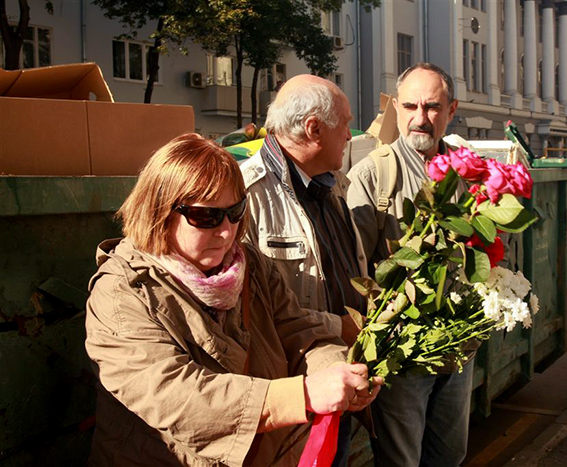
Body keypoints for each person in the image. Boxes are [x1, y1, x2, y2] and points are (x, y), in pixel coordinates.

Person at [84, 133, 382, 466]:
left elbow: (299, 332)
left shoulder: (250, 264)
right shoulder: (122, 292)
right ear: (160, 212)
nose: (226, 231)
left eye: (235, 211)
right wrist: (304, 394)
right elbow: (174, 396)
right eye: (206, 217)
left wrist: (339, 371)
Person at [347, 62, 477, 466]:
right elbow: (353, 271)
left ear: (451, 109)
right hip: (402, 357)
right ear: (396, 110)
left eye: (433, 107)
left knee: (450, 456)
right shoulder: (372, 175)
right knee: (402, 461)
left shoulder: (470, 173)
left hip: (458, 349)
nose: (421, 118)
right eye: (411, 106)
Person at [241, 74, 367, 467]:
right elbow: (249, 312)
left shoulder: (333, 186)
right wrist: (339, 326)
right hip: (289, 398)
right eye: (344, 123)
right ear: (314, 128)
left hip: (337, 381)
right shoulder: (247, 194)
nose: (349, 135)